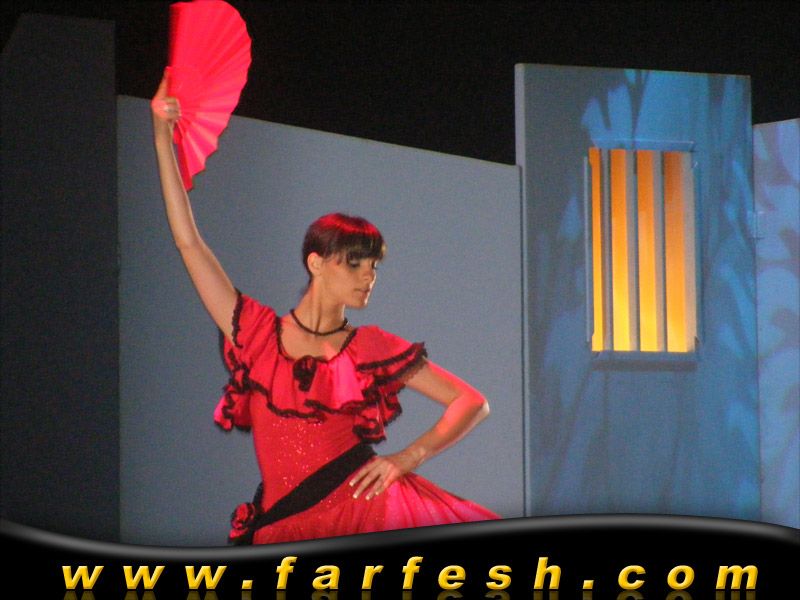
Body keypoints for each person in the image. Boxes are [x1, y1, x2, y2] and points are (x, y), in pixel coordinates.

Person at [150, 73, 500, 544]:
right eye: (354, 263)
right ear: (316, 263)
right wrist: (161, 136)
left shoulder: (370, 347)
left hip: (364, 513)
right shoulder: (256, 332)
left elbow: (472, 402)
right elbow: (188, 242)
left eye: (373, 266)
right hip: (287, 524)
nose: (367, 276)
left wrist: (406, 458)